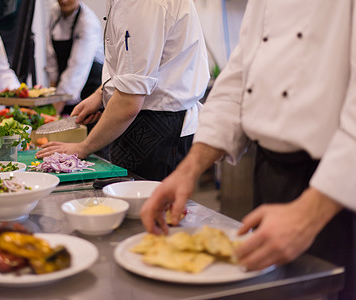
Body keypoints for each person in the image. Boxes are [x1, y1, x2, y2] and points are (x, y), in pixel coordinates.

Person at [140, 2, 356, 299]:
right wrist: (188, 170)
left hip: (338, 194)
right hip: (271, 176)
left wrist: (308, 214)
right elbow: (238, 79)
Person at [36, 0, 210, 181]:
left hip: (157, 128)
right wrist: (101, 93)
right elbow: (132, 67)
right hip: (143, 118)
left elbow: (129, 101)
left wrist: (83, 147)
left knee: (146, 207)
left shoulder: (140, 4)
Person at [46, 0, 104, 116]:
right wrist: (52, 90)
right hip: (64, 87)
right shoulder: (54, 12)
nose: (63, 1)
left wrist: (54, 111)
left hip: (89, 87)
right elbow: (50, 53)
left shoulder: (88, 22)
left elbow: (77, 67)